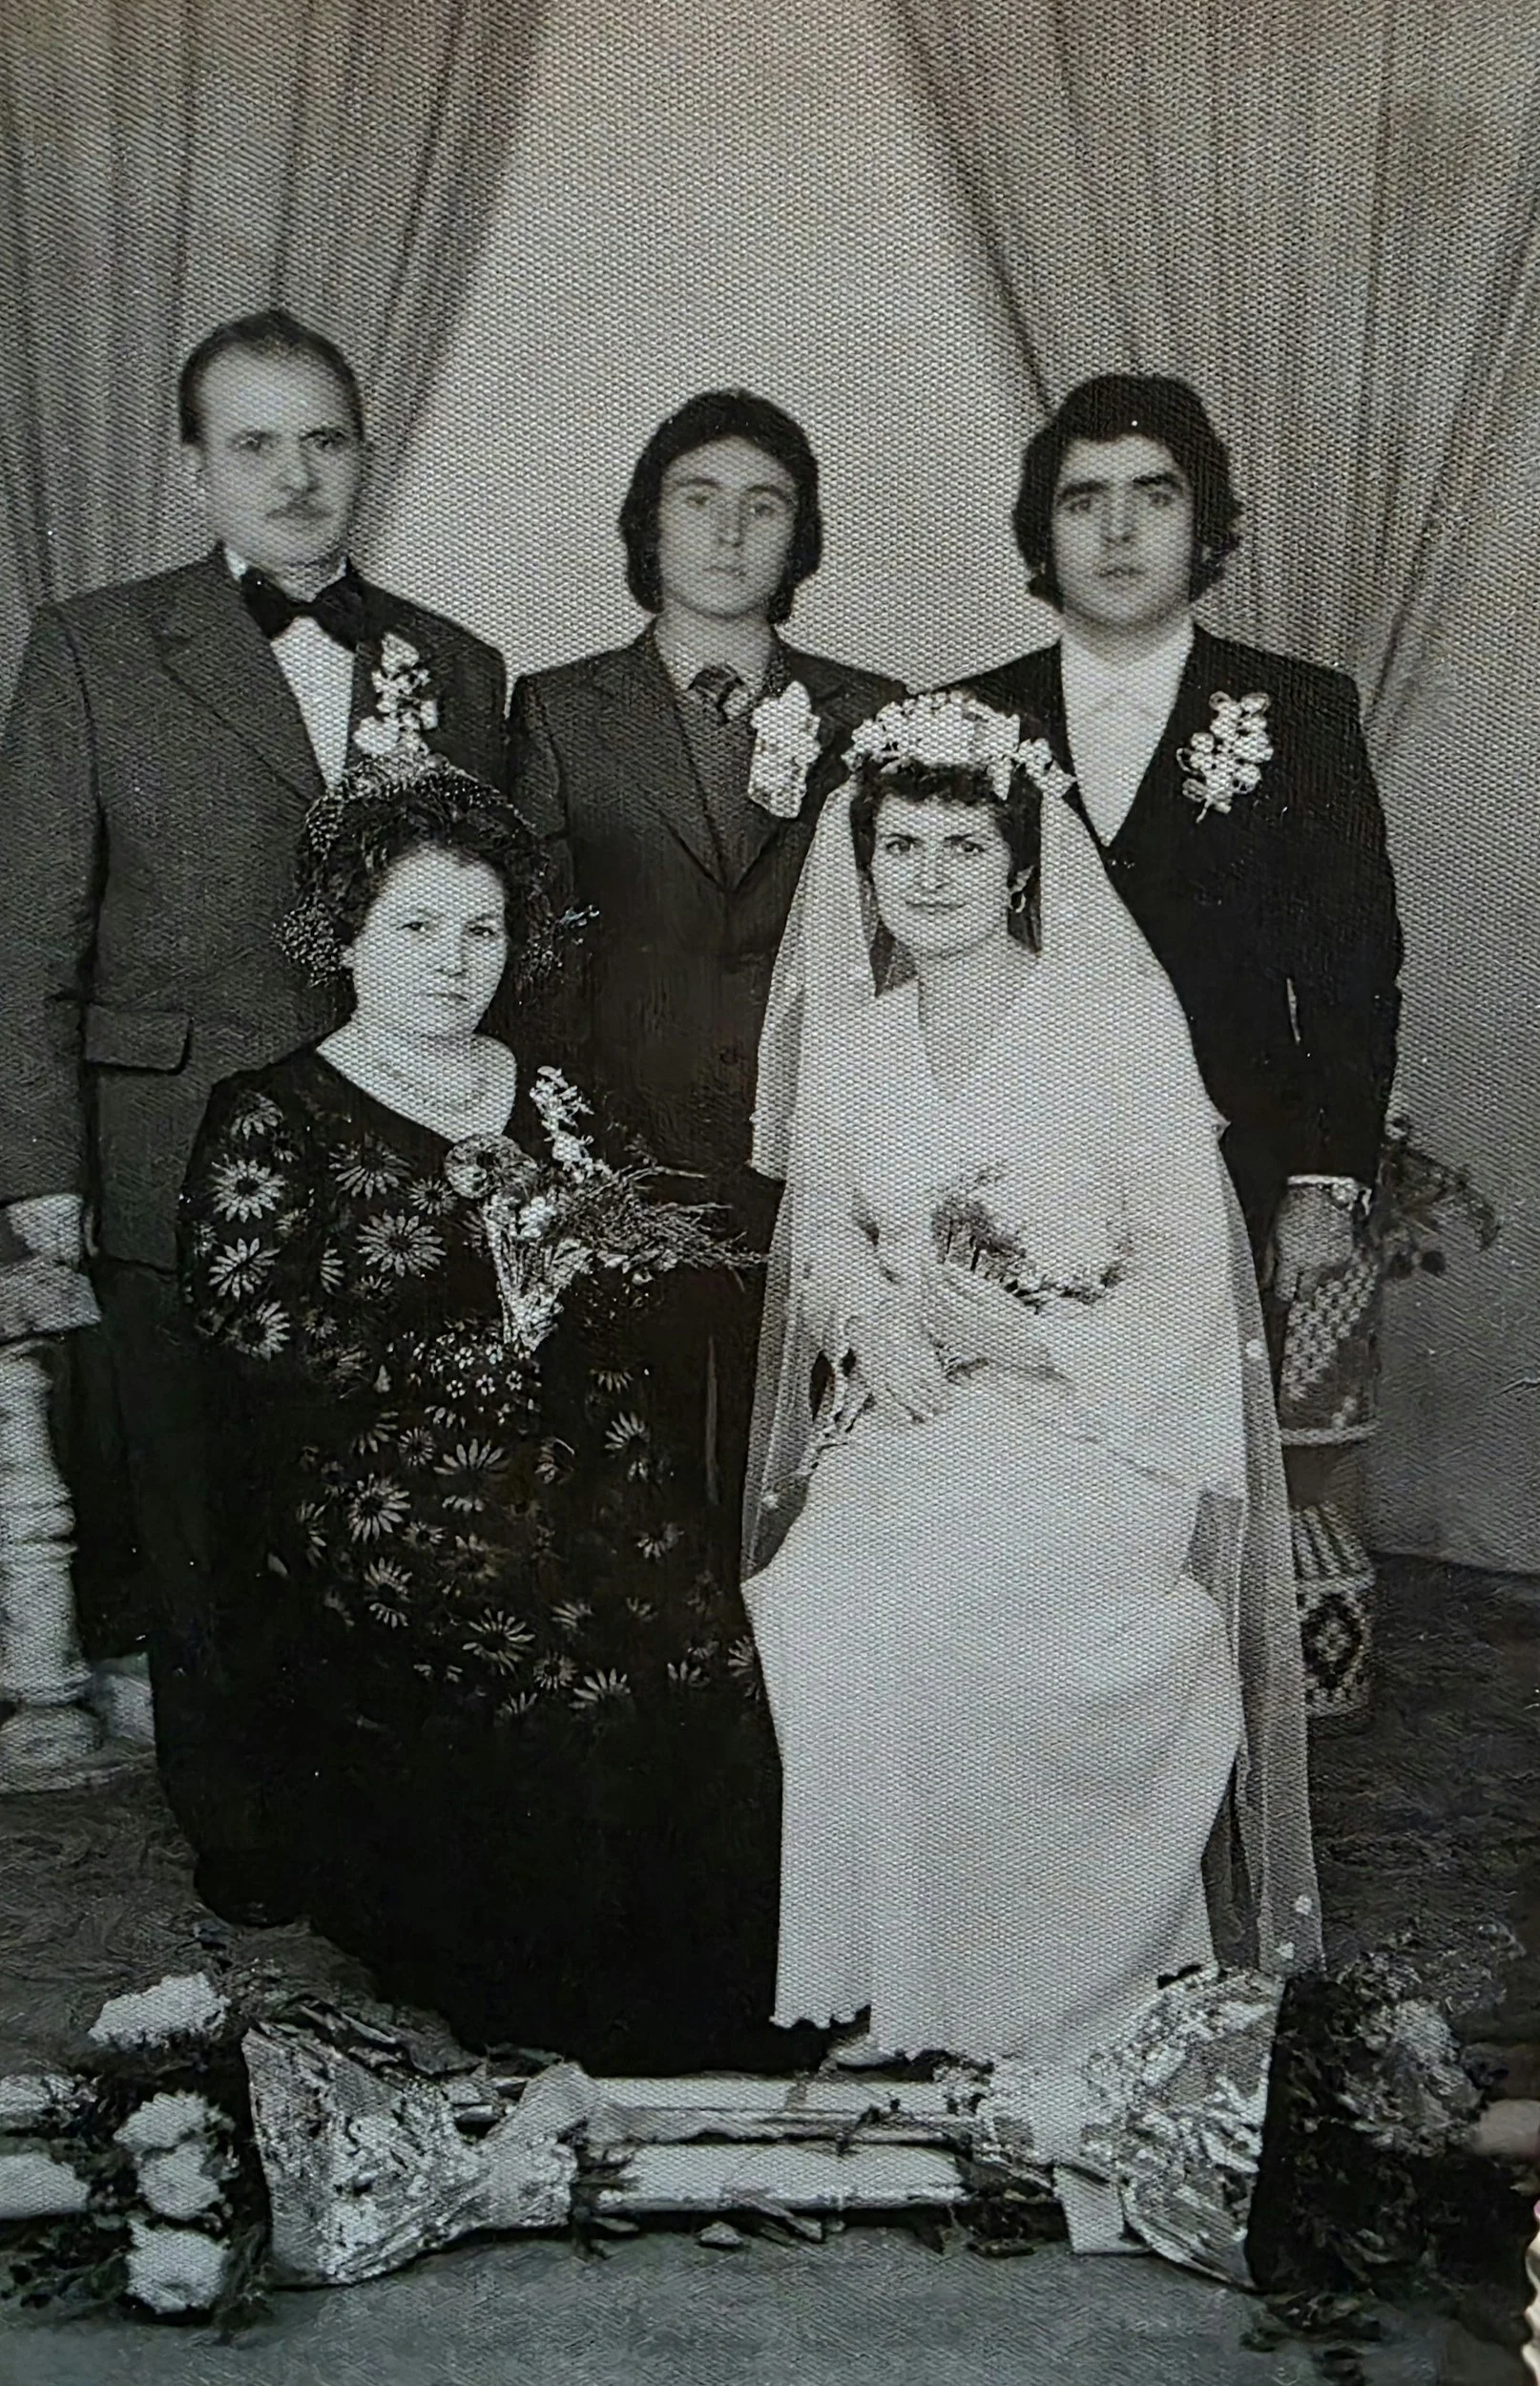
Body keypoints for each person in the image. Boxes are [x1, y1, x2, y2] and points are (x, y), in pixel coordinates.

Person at [178, 754, 810, 2074]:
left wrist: (606, 1272)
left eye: (482, 930)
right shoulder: (274, 1115)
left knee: (702, 1640)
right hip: (384, 1470)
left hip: (587, 1442)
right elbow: (252, 1332)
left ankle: (722, 1990)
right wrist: (478, 1345)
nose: (452, 962)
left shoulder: (557, 1090)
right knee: (547, 1654)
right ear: (346, 936)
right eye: (415, 927)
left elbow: (664, 1270)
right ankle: (559, 1997)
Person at [0, 309, 508, 1917]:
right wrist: (39, 1173)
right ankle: (244, 1833)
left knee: (383, 1490)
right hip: (169, 1154)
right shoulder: (92, 649)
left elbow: (479, 930)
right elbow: (26, 938)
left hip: (394, 1155)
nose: (295, 477)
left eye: (324, 441)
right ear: (196, 471)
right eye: (255, 445)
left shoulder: (454, 664)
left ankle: (387, 1819)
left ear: (363, 453)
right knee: (204, 1517)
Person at [743, 690, 1320, 2080]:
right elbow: (823, 1231)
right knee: (825, 1593)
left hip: (1093, 1419)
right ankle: (903, 1980)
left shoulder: (1112, 1021)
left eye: (963, 846)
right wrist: (869, 1317)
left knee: (966, 1599)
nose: (930, 876)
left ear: (1018, 865)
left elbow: (1191, 1258)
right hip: (912, 1409)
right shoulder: (857, 1041)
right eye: (901, 847)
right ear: (865, 865)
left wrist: (1039, 1346)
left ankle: (1045, 1993)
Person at [505, 389, 900, 1559]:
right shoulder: (559, 711)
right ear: (650, 524)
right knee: (647, 1489)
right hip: (629, 1160)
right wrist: (573, 1161)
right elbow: (535, 958)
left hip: (819, 1157)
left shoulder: (873, 713)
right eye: (699, 500)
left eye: (764, 506)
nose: (730, 532)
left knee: (820, 1484)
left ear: (800, 536)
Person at [964, 374, 1404, 1298]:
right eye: (1084, 501)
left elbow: (1351, 963)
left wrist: (1326, 1177)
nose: (1117, 532)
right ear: (1042, 535)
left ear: (1203, 528)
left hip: (1231, 1178)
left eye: (1153, 497)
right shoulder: (968, 718)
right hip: (997, 1177)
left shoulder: (1303, 712)